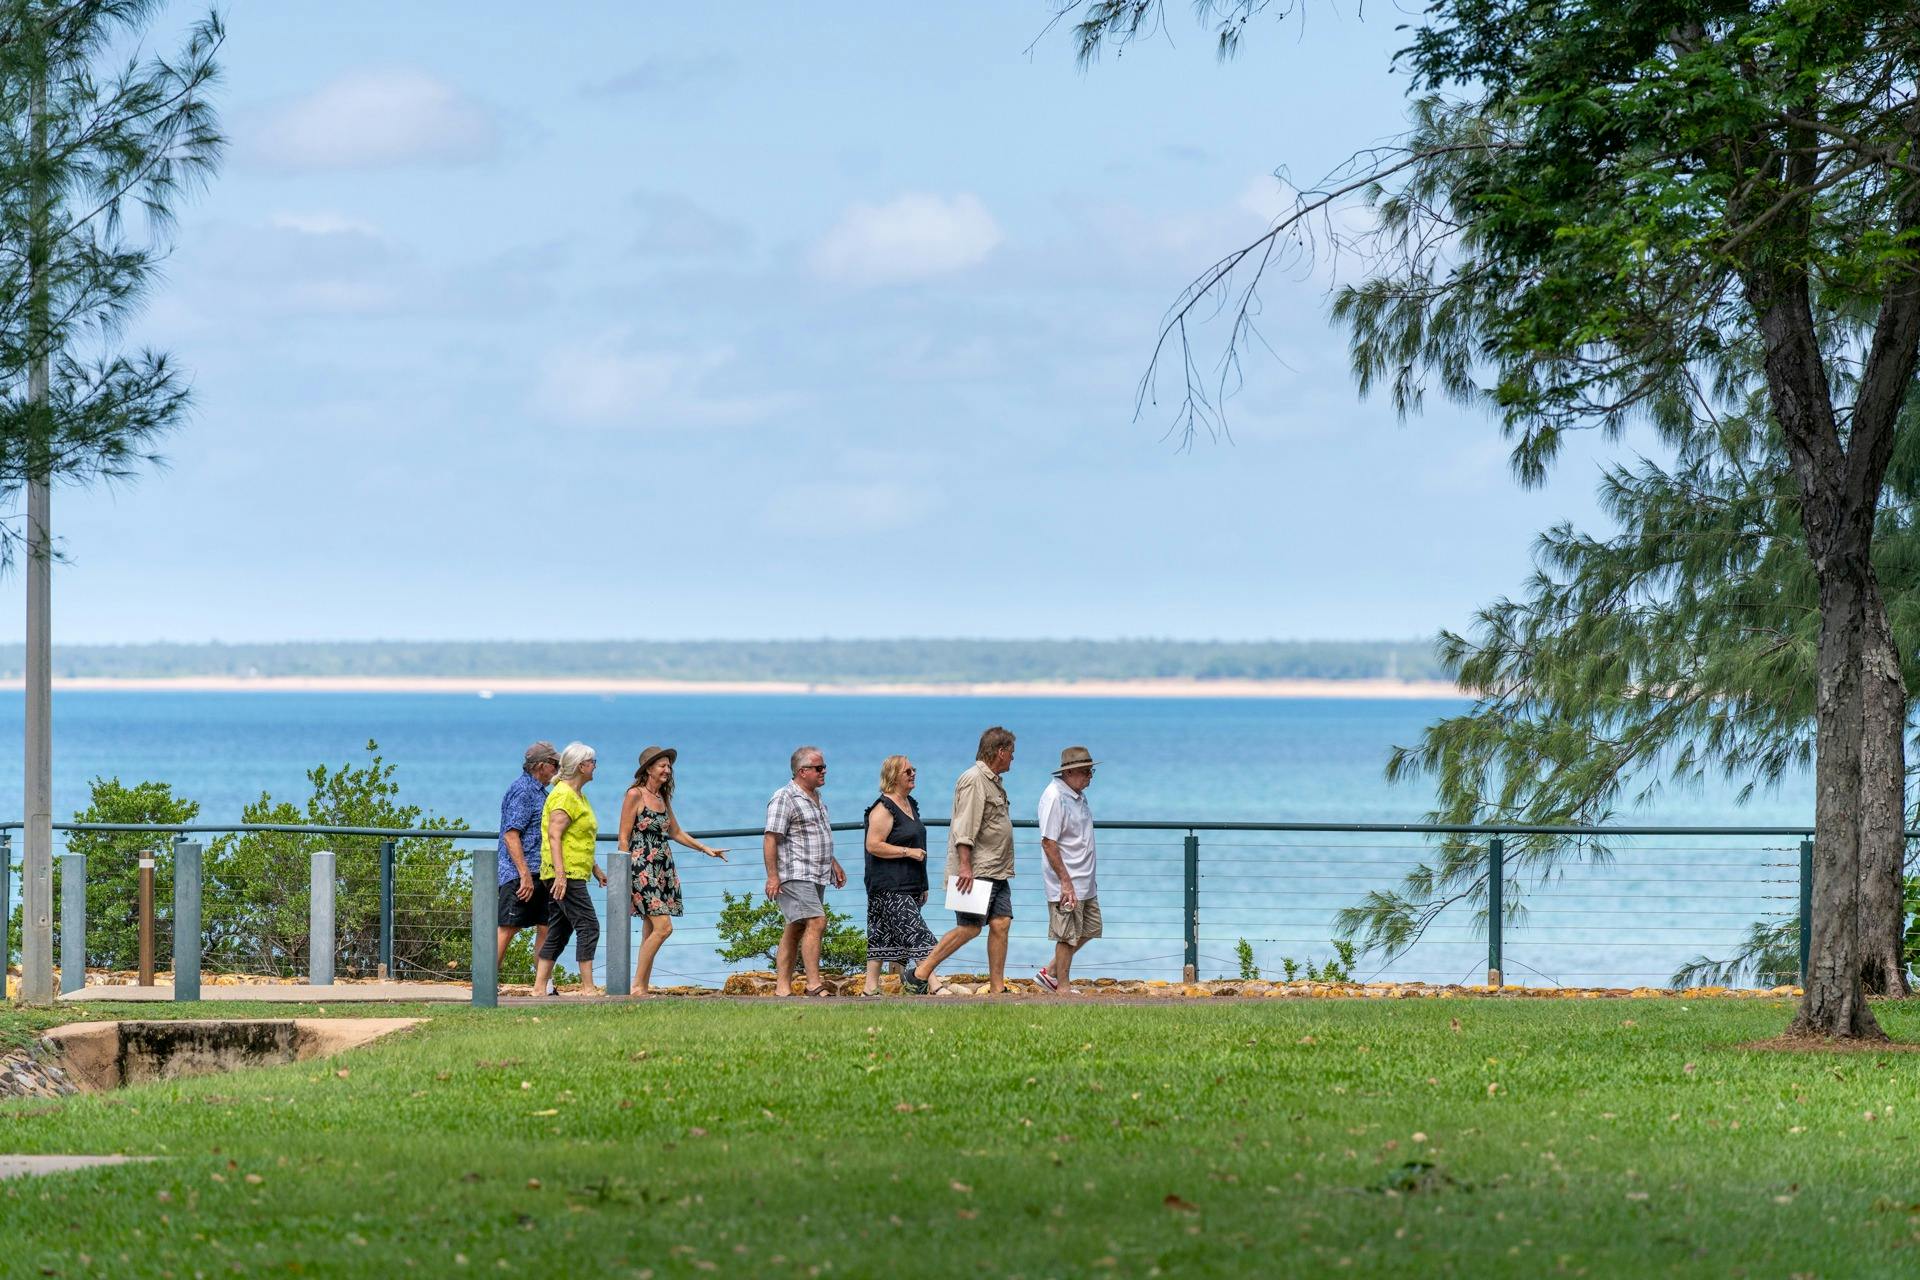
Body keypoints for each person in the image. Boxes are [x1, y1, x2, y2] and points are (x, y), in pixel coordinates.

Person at [905, 726, 1016, 995]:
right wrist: (965, 867)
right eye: (1011, 753)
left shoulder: (992, 781)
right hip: (976, 869)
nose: (1013, 758)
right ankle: (918, 975)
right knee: (969, 928)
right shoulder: (974, 779)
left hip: (997, 868)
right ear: (1000, 752)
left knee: (1001, 922)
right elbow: (964, 827)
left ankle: (997, 987)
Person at [618, 744, 728, 998]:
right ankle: (636, 986)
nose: (668, 770)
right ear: (648, 769)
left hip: (662, 866)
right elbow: (623, 837)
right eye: (662, 765)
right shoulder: (635, 794)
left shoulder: (662, 798)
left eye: (669, 766)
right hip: (641, 868)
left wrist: (705, 849)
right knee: (663, 928)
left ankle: (641, 988)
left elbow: (675, 832)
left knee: (650, 928)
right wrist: (624, 875)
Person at [763, 745, 846, 997]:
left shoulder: (817, 799)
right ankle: (813, 984)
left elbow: (816, 836)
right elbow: (770, 838)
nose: (824, 772)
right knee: (817, 921)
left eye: (824, 767)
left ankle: (782, 988)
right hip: (795, 872)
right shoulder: (784, 797)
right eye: (819, 768)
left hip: (816, 872)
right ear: (802, 771)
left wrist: (833, 863)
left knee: (796, 927)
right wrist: (773, 876)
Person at [533, 742, 608, 998]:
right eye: (592, 762)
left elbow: (576, 838)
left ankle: (538, 988)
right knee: (589, 925)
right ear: (581, 766)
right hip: (565, 875)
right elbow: (554, 836)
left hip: (574, 871)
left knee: (560, 929)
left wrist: (595, 868)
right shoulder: (564, 795)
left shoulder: (577, 795)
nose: (595, 766)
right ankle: (588, 987)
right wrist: (561, 875)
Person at [860, 754, 935, 996]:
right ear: (893, 776)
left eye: (914, 770)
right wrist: (907, 852)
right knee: (917, 933)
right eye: (907, 771)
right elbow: (873, 845)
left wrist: (923, 884)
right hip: (889, 886)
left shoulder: (910, 803)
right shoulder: (883, 808)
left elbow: (919, 843)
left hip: (910, 884)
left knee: (882, 936)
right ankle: (935, 984)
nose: (913, 774)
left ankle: (870, 989)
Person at [1035, 746, 1102, 995]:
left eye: (1091, 771)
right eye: (1086, 771)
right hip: (1067, 881)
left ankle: (1050, 973)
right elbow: (1048, 842)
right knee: (1067, 935)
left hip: (1084, 879)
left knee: (1090, 928)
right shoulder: (1055, 797)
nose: (1090, 776)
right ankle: (1062, 986)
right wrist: (1065, 881)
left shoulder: (1077, 795)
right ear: (1070, 771)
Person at [496, 741, 558, 969]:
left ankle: (543, 985)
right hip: (519, 872)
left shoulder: (541, 792)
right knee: (508, 926)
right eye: (555, 764)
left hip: (539, 871)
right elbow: (511, 835)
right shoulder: (523, 791)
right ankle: (485, 984)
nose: (557, 769)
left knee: (546, 926)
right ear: (541, 765)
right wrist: (524, 875)